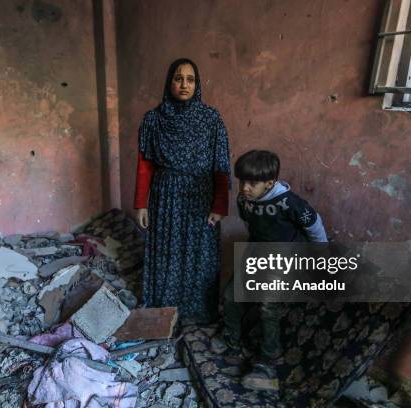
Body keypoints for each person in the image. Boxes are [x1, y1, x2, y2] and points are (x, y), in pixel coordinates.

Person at [211, 149, 328, 391]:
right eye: (242, 181)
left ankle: (267, 361)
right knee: (231, 296)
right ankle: (232, 340)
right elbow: (249, 223)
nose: (244, 188)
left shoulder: (290, 202)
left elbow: (314, 225)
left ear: (270, 183)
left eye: (252, 183)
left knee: (268, 307)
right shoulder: (245, 200)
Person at [133, 58, 231, 324]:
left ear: (197, 84)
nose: (184, 84)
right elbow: (145, 165)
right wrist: (141, 203)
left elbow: (221, 164)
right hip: (165, 196)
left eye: (190, 79)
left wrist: (219, 206)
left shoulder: (211, 119)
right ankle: (164, 310)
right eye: (178, 78)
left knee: (199, 252)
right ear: (169, 82)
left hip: (201, 196)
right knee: (166, 251)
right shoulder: (154, 119)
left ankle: (196, 313)